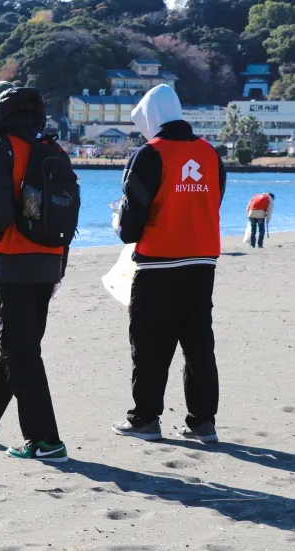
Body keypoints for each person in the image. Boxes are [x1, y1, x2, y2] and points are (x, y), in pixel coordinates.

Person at [0, 83, 70, 463]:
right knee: (21, 348)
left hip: (16, 263)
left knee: (21, 353)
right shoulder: (51, 148)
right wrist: (59, 269)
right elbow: (64, 217)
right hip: (48, 261)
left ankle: (45, 441)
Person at [111, 84, 226, 444]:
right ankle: (203, 423)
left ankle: (145, 419)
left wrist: (117, 219)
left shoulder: (148, 155)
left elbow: (130, 226)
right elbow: (212, 203)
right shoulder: (211, 154)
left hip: (158, 264)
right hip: (202, 262)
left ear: (150, 117)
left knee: (149, 346)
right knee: (198, 344)